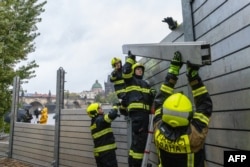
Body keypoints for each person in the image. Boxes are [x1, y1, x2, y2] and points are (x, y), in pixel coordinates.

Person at [153, 51, 213, 167]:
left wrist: (173, 72)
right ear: (189, 115)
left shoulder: (158, 132)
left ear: (165, 113)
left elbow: (204, 107)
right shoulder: (194, 136)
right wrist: (193, 77)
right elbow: (205, 105)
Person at [122, 51, 156, 167]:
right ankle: (138, 164)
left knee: (138, 141)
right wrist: (131, 58)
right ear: (133, 71)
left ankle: (134, 163)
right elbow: (125, 71)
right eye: (137, 69)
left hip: (144, 115)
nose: (140, 71)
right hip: (138, 115)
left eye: (141, 69)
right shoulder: (130, 80)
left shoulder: (145, 84)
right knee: (140, 141)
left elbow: (148, 101)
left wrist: (152, 94)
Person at [86, 103, 119, 167]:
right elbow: (112, 115)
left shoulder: (93, 123)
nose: (101, 108)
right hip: (106, 153)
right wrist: (115, 106)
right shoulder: (100, 120)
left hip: (99, 153)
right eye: (99, 108)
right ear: (95, 111)